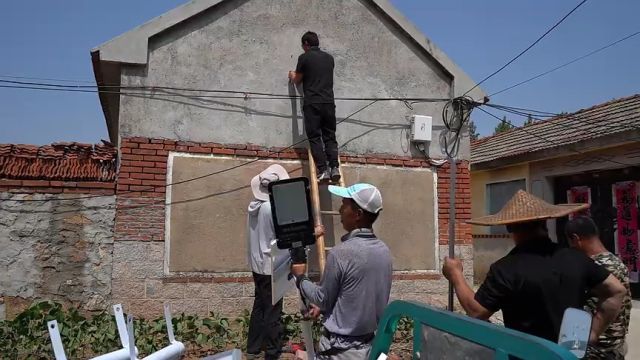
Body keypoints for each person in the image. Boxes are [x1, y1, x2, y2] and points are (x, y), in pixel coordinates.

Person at [442, 190, 627, 344]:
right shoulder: (576, 258)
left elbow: (477, 312)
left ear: (509, 227)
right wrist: (593, 332)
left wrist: (456, 274)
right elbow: (616, 290)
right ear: (545, 222)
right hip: (570, 352)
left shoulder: (505, 268)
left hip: (527, 354)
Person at [290, 183, 392, 359]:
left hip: (340, 350)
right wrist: (323, 309)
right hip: (369, 346)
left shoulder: (341, 253)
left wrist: (300, 277)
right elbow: (353, 295)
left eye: (345, 204)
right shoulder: (384, 251)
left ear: (358, 215)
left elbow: (322, 298)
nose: (339, 210)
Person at [565, 216, 632, 359]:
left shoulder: (594, 268)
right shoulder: (616, 261)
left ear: (576, 239)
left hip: (598, 349)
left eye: (570, 242)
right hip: (616, 345)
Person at [246, 164, 290, 360]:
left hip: (257, 264)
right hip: (270, 265)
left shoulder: (254, 207)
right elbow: (284, 236)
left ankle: (253, 347)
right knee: (273, 310)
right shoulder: (272, 208)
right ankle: (272, 352)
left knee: (260, 306)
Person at [288, 31, 339, 182]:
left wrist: (291, 75)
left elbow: (298, 80)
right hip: (329, 103)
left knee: (315, 137)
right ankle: (334, 167)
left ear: (306, 44)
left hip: (313, 103)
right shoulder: (329, 59)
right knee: (330, 136)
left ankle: (323, 170)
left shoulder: (304, 57)